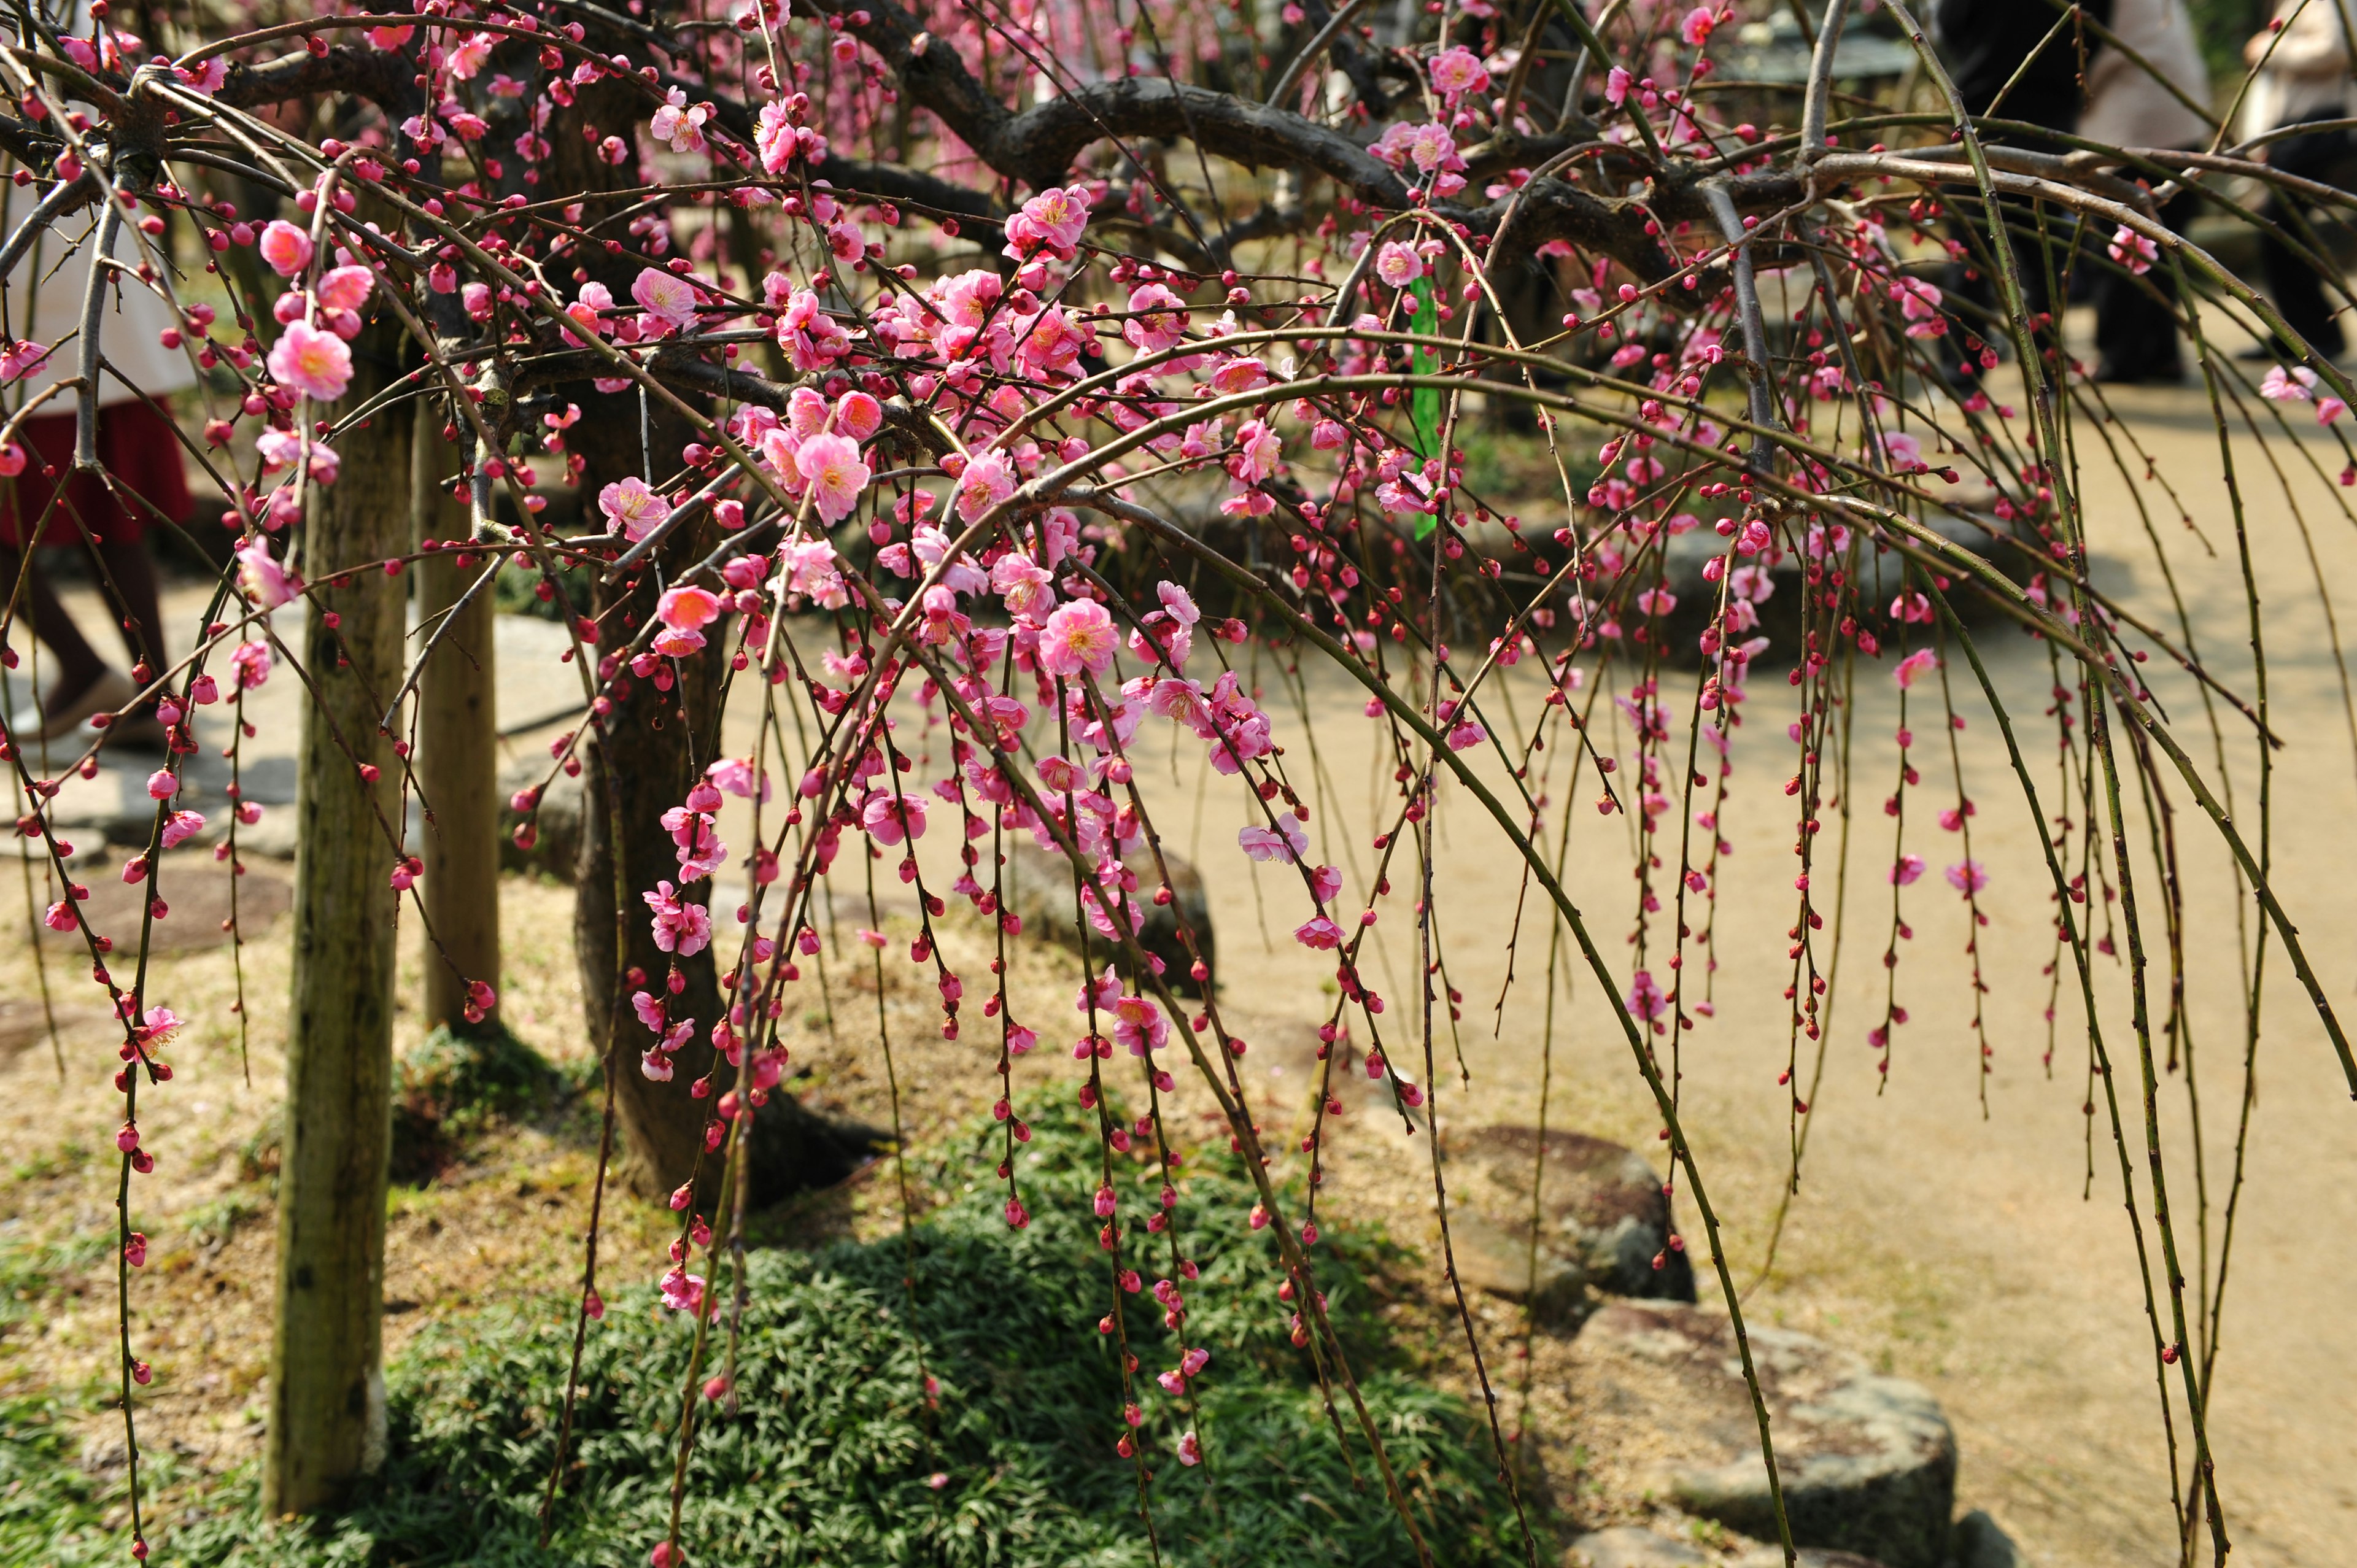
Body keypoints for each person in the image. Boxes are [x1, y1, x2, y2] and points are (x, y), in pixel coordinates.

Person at [0, 194, 192, 751]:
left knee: (109, 514)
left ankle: (116, 684)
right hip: (95, 289)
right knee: (110, 517)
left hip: (49, 309)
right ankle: (154, 700)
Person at [1932, 0, 2115, 376]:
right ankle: (2045, 363)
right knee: (2042, 250)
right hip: (2049, 120)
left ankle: (1962, 372)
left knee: (1969, 252)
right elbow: (2095, 30)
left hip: (1978, 115)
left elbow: (1950, 24)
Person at [2081, 0, 2212, 382]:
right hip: (2182, 128)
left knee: (2119, 251)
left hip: (2132, 131)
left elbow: (2085, 58)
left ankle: (2120, 359)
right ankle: (2161, 355)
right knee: (2164, 252)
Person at [2242, 0, 2357, 359]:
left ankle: (2314, 333)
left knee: (2282, 228)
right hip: (2296, 127)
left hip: (2318, 125)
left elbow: (2336, 49)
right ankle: (2297, 330)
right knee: (2281, 229)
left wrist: (2267, 48)